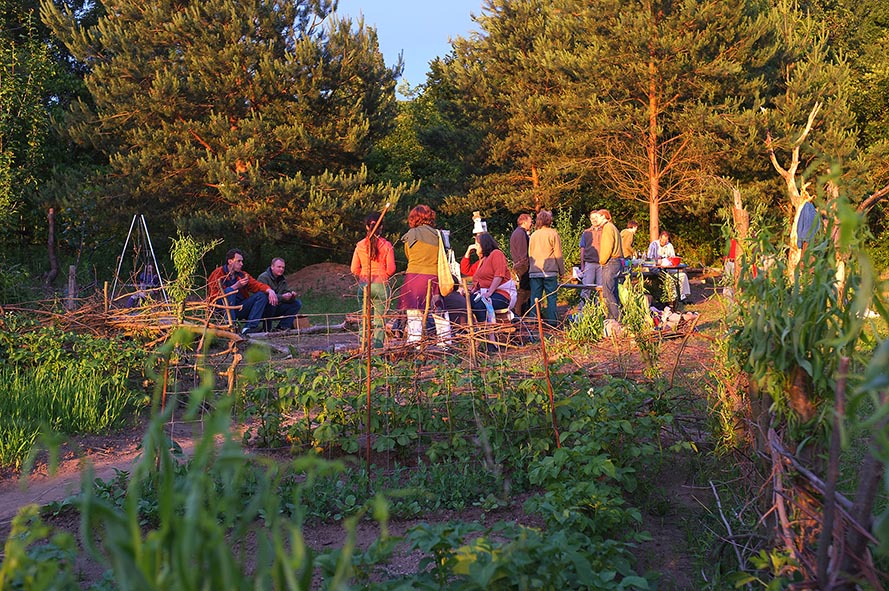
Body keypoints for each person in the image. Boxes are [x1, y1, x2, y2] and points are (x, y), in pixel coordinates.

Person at [351, 212, 396, 349]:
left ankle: (363, 347)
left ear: (366, 227)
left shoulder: (360, 245)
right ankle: (377, 349)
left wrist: (363, 276)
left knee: (364, 318)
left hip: (365, 284)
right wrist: (384, 275)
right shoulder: (387, 245)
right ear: (381, 227)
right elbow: (392, 268)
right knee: (380, 320)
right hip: (381, 285)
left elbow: (354, 268)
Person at [399, 205, 443, 341]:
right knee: (439, 312)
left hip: (413, 276)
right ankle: (444, 343)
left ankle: (415, 343)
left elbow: (408, 254)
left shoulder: (410, 234)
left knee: (413, 312)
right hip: (434, 275)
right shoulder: (438, 235)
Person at [208, 249, 275, 334]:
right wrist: (236, 286)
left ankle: (249, 327)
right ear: (230, 261)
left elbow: (256, 285)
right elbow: (214, 296)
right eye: (238, 261)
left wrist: (269, 290)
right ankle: (231, 326)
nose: (241, 264)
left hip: (239, 308)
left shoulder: (242, 275)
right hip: (221, 309)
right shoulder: (218, 273)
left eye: (242, 261)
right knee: (229, 291)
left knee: (262, 295)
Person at [465, 232, 513, 322]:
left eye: (477, 245)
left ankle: (485, 330)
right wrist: (472, 291)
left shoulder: (496, 254)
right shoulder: (483, 259)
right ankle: (472, 327)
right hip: (485, 293)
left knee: (479, 305)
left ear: (483, 244)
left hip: (502, 294)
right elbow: (476, 278)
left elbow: (499, 275)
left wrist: (489, 292)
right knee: (467, 302)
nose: (475, 247)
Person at [528, 209, 564, 325]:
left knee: (535, 298)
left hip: (535, 270)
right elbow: (558, 254)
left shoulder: (533, 235)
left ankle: (534, 321)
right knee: (551, 297)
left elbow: (530, 253)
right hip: (550, 271)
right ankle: (552, 322)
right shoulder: (553, 234)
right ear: (549, 220)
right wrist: (561, 271)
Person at [257, 257, 302, 331]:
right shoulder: (263, 277)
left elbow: (285, 292)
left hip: (277, 306)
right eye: (279, 267)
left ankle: (282, 327)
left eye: (283, 268)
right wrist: (282, 297)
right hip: (263, 309)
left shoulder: (282, 279)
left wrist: (291, 296)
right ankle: (267, 329)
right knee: (272, 302)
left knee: (297, 303)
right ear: (272, 267)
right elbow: (262, 296)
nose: (281, 269)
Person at [646, 231, 691, 301]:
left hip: (668, 267)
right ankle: (672, 297)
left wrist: (670, 259)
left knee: (682, 275)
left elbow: (672, 258)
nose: (664, 242)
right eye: (663, 240)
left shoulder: (669, 246)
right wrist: (657, 261)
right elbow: (648, 260)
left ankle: (683, 295)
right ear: (660, 238)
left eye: (666, 240)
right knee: (668, 277)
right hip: (656, 268)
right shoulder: (654, 245)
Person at [596, 210, 623, 320]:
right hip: (617, 262)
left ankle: (616, 318)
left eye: (598, 217)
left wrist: (602, 261)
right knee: (614, 292)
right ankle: (612, 318)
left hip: (610, 262)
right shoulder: (613, 227)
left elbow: (607, 248)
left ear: (604, 216)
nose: (596, 219)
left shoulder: (607, 228)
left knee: (607, 293)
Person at [578, 209, 603, 311]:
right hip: (589, 263)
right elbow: (582, 248)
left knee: (601, 289)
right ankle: (582, 311)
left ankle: (600, 311)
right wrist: (582, 265)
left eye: (596, 218)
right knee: (586, 288)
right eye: (592, 218)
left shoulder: (605, 231)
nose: (594, 220)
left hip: (602, 263)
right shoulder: (586, 232)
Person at [509, 213, 532, 316]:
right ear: (525, 221)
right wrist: (526, 265)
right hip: (523, 266)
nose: (531, 224)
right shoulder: (521, 234)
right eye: (530, 221)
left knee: (525, 290)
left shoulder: (517, 232)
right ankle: (518, 312)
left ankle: (522, 312)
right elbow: (523, 253)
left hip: (519, 265)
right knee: (524, 291)